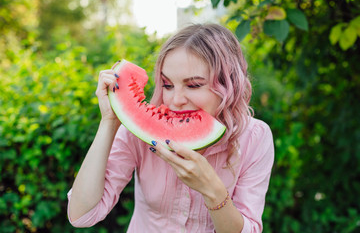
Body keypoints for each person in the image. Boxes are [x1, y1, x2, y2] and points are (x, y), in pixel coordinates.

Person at [67, 23, 274, 233]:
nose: (175, 101)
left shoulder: (255, 137)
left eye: (193, 85)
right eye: (167, 85)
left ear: (229, 84)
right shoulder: (138, 133)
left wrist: (212, 190)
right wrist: (109, 122)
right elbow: (82, 215)